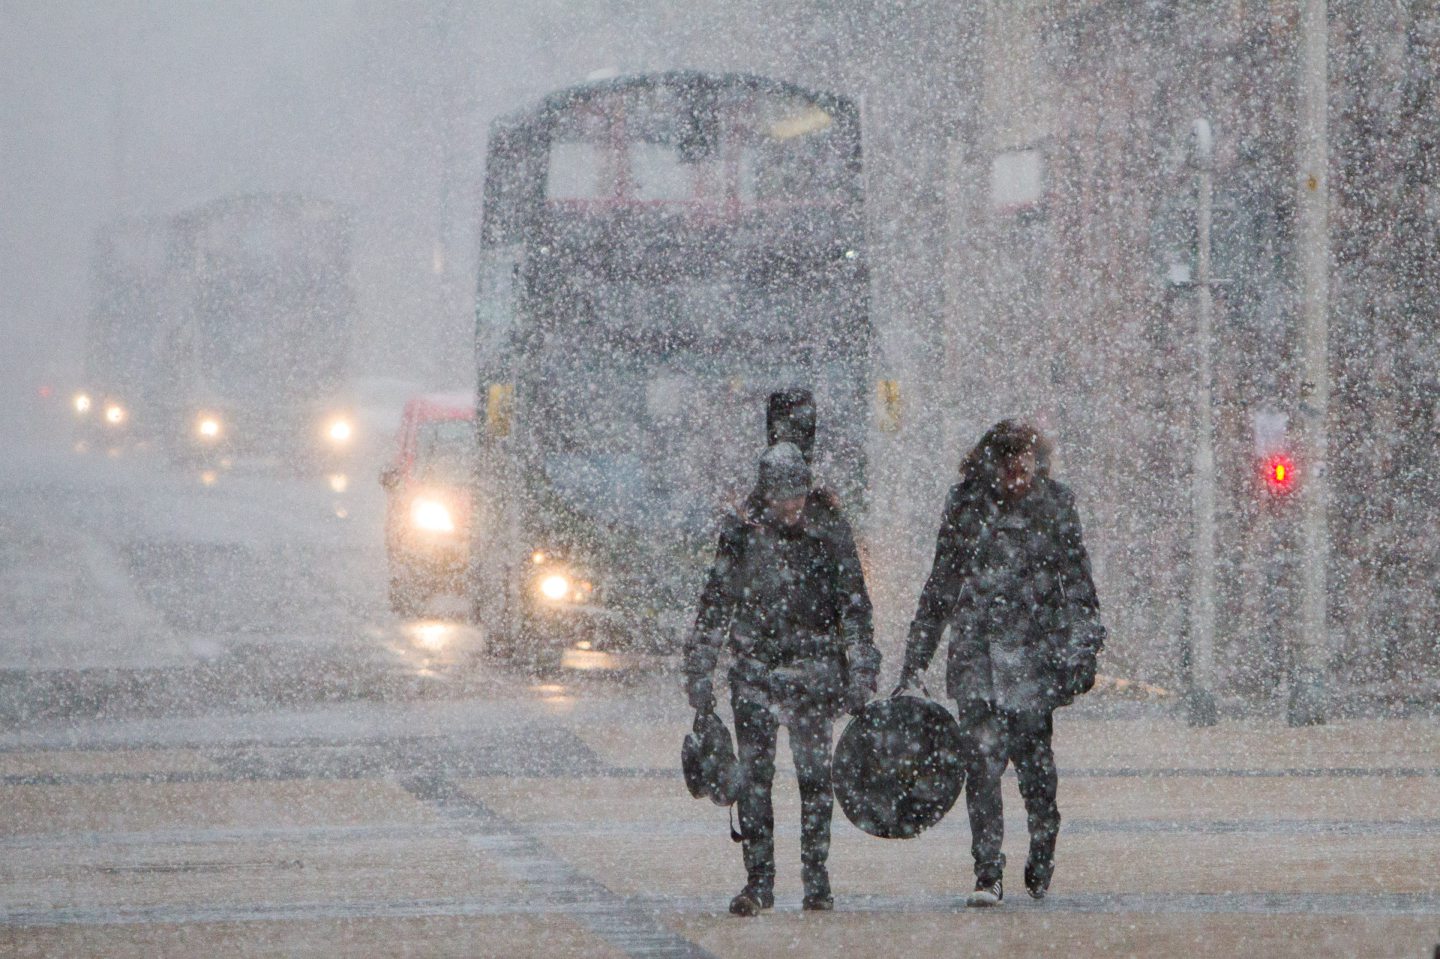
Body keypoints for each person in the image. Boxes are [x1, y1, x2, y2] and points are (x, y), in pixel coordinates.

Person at [895, 420, 1104, 905]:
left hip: (1033, 657)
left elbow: (1078, 585)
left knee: (1036, 770)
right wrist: (915, 662)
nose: (1016, 481)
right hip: (977, 657)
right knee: (981, 769)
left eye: (1023, 471)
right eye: (1008, 471)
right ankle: (987, 872)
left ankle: (1042, 847)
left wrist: (1082, 650)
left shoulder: (1054, 506)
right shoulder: (967, 506)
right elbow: (941, 587)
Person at [684, 441, 880, 915]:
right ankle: (759, 882)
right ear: (765, 494)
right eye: (779, 498)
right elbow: (716, 604)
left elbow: (854, 606)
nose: (788, 507)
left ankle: (817, 879)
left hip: (814, 676)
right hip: (754, 674)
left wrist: (862, 670)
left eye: (795, 496)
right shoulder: (741, 533)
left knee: (815, 779)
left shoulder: (830, 531)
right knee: (754, 780)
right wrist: (700, 670)